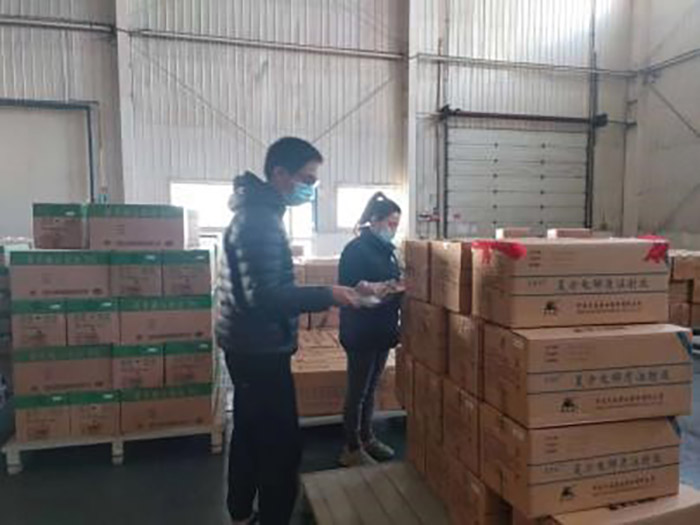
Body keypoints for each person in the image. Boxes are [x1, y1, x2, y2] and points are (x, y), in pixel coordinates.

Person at [216, 137, 360, 525]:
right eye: (306, 179)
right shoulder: (259, 221)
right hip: (258, 350)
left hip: (249, 344)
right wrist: (328, 294)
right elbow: (264, 296)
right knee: (279, 445)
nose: (310, 189)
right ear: (280, 173)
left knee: (249, 431)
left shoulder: (258, 213)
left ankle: (240, 510)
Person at [337, 192, 403, 467]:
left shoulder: (387, 251)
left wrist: (397, 287)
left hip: (382, 330)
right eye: (390, 223)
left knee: (372, 386)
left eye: (397, 224)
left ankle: (367, 437)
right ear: (375, 220)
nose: (393, 229)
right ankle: (351, 448)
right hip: (361, 331)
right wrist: (385, 288)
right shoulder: (356, 250)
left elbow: (392, 281)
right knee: (358, 391)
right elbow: (353, 290)